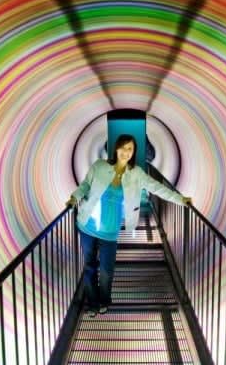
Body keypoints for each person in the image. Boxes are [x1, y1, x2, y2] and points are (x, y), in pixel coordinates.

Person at [66, 134, 191, 317]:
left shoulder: (136, 174)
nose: (126, 152)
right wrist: (73, 198)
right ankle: (93, 304)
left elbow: (157, 188)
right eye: (123, 148)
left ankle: (104, 300)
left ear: (133, 153)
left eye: (130, 149)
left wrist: (181, 199)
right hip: (88, 225)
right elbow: (85, 186)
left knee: (107, 271)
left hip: (110, 231)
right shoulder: (99, 167)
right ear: (116, 149)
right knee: (89, 267)